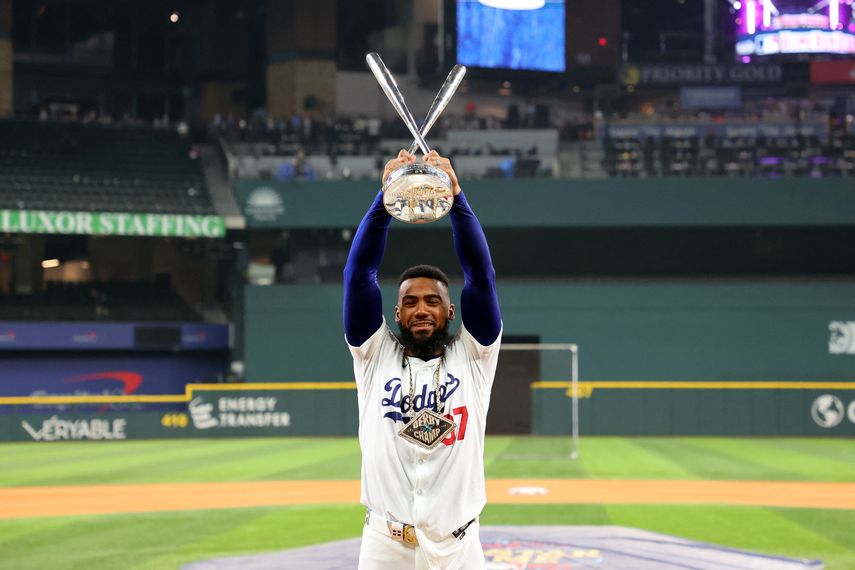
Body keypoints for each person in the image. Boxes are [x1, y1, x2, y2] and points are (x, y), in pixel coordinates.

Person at [343, 149, 502, 569]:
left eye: (433, 301)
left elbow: (480, 276)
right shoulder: (373, 353)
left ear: (451, 312)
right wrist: (385, 198)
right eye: (410, 302)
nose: (421, 309)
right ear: (397, 314)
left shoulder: (475, 354)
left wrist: (457, 197)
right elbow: (359, 275)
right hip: (385, 545)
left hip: (457, 547)